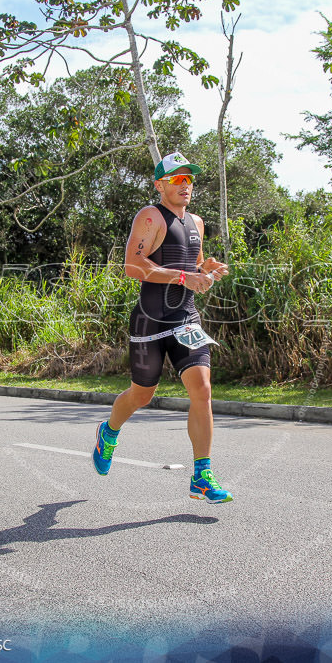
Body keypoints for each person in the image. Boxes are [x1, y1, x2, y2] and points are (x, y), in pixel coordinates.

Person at [92, 152, 232, 503]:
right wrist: (186, 276)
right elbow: (133, 265)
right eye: (178, 179)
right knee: (143, 394)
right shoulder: (150, 217)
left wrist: (206, 268)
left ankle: (202, 474)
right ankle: (108, 433)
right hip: (150, 320)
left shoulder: (197, 223)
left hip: (185, 318)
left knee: (202, 389)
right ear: (160, 184)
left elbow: (192, 264)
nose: (186, 185)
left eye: (190, 179)